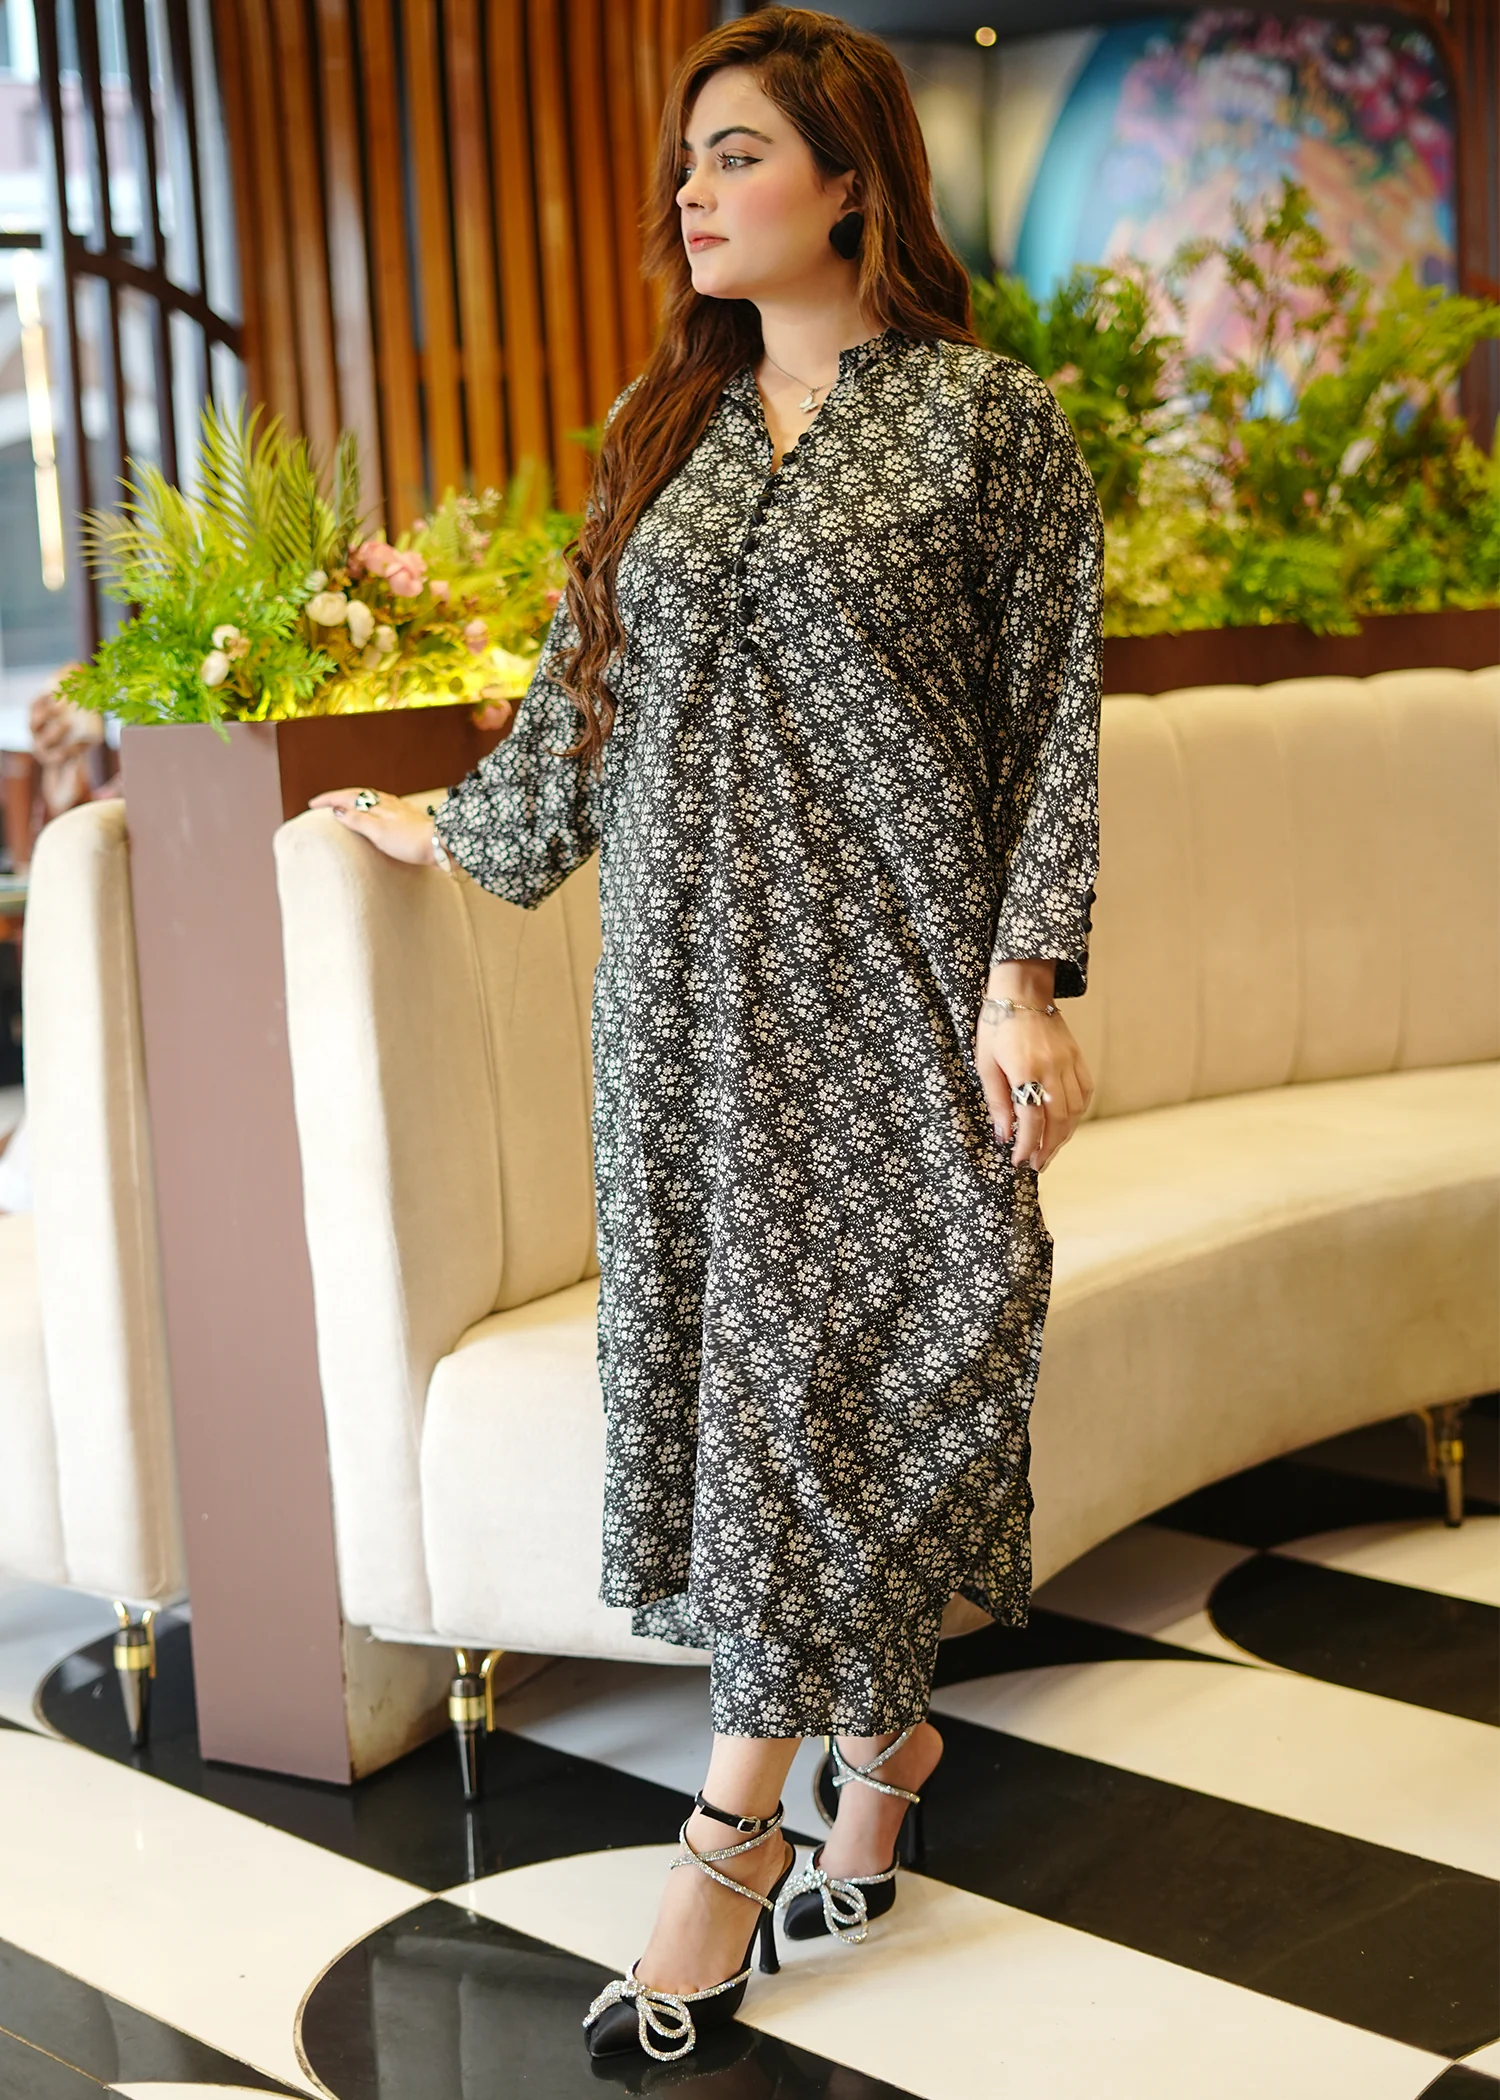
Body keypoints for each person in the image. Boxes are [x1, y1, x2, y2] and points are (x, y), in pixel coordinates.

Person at [312, 4, 1102, 2065]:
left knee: (857, 1380)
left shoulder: (988, 426)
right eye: (689, 158)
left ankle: (726, 1843)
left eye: (737, 152)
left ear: (852, 179)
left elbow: (1054, 723)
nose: (693, 190)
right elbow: (589, 691)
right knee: (756, 1400)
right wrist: (446, 823)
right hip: (684, 1005)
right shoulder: (657, 428)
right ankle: (882, 1750)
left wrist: (1025, 984)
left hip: (898, 998)